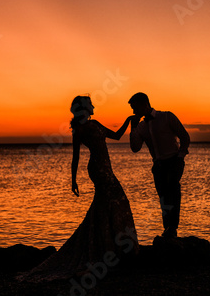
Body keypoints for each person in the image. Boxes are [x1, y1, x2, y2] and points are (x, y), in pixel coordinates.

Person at [19, 96, 139, 281]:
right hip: (98, 169)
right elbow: (75, 157)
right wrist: (73, 180)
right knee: (117, 201)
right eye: (90, 104)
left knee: (105, 206)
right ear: (84, 107)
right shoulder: (80, 129)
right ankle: (112, 250)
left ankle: (110, 249)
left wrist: (129, 121)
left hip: (106, 168)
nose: (93, 106)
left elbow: (116, 136)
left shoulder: (95, 123)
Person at [128, 92, 190, 238]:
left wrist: (180, 158)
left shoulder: (167, 117)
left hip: (174, 160)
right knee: (163, 197)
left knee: (173, 193)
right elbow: (135, 148)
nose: (133, 111)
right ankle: (167, 229)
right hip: (158, 165)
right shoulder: (141, 127)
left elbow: (184, 137)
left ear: (144, 104)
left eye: (134, 107)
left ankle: (172, 229)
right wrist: (133, 129)